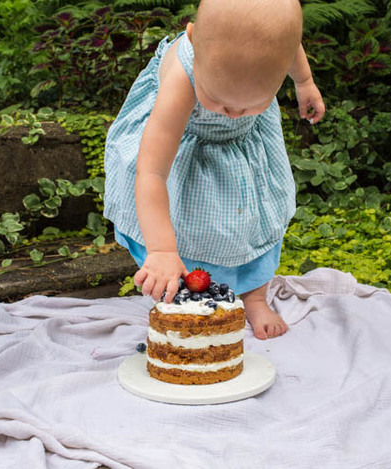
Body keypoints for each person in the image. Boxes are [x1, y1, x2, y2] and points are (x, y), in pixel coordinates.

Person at [103, 0, 325, 339]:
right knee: (187, 227)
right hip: (181, 149)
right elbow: (151, 173)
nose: (234, 113)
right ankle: (186, 295)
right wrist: (162, 250)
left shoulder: (272, 51)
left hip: (244, 148)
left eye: (253, 103)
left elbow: (290, 46)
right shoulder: (183, 78)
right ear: (194, 41)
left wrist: (304, 82)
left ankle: (254, 296)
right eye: (220, 100)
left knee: (254, 219)